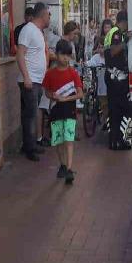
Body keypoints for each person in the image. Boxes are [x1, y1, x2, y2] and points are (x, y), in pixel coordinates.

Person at [42, 39, 83, 184]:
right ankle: (63, 165)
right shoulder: (50, 74)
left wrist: (65, 99)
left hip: (70, 111)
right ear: (56, 54)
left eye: (68, 55)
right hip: (56, 110)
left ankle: (69, 169)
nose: (65, 58)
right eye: (63, 55)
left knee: (69, 139)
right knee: (59, 140)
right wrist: (52, 95)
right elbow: (46, 92)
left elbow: (80, 93)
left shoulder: (73, 73)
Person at [17, 2, 50, 161]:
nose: (49, 18)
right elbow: (20, 54)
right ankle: (29, 148)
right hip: (29, 81)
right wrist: (26, 77)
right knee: (30, 115)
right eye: (48, 14)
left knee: (30, 114)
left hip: (37, 80)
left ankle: (29, 145)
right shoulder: (28, 30)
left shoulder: (38, 32)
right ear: (43, 15)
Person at [104, 10, 132, 150]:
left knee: (114, 110)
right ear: (125, 21)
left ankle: (114, 140)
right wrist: (125, 40)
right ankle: (118, 141)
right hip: (116, 78)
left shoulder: (113, 32)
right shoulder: (116, 33)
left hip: (113, 77)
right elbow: (113, 51)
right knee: (120, 110)